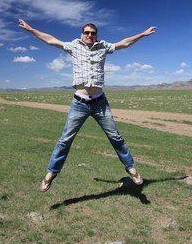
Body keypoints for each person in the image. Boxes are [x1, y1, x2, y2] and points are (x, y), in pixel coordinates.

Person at [18, 19, 157, 191]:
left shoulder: (103, 47)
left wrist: (142, 34)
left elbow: (124, 43)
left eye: (93, 33)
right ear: (81, 34)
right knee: (65, 140)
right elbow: (50, 40)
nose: (89, 35)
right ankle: (51, 173)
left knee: (116, 137)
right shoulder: (74, 46)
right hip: (79, 103)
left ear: (96, 35)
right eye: (86, 32)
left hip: (100, 103)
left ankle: (131, 168)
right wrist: (31, 29)